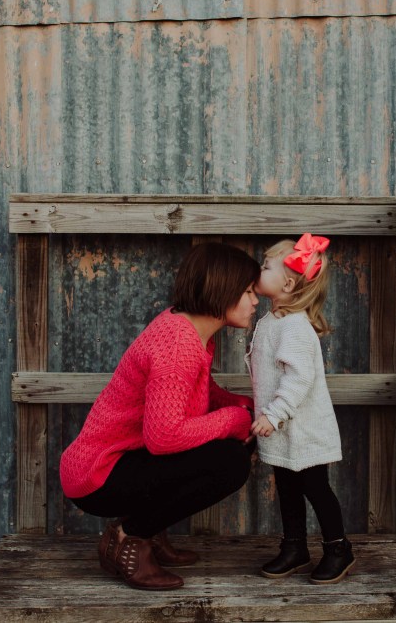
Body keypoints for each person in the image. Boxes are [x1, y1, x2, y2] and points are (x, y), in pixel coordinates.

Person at [59, 242, 259, 591]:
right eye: (247, 291)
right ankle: (130, 537)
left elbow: (198, 390)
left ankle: (149, 532)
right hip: (99, 474)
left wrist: (244, 405)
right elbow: (164, 436)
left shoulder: (188, 328)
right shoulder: (179, 344)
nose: (255, 301)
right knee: (231, 462)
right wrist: (231, 420)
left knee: (235, 444)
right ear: (221, 289)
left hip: (121, 460)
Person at [248, 233, 355, 584]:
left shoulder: (294, 327)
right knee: (288, 489)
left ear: (289, 283)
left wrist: (272, 415)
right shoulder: (271, 321)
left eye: (265, 266)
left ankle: (338, 548)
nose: (257, 269)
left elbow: (297, 380)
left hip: (302, 429)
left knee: (316, 489)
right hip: (282, 432)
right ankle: (294, 546)